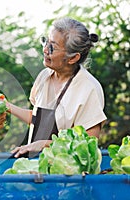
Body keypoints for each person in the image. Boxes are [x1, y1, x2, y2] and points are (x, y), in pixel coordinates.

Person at [9, 17, 107, 158]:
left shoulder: (89, 89)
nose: (44, 50)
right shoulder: (44, 76)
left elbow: (86, 144)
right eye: (45, 42)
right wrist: (7, 106)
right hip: (34, 168)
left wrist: (45, 144)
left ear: (73, 58)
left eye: (52, 47)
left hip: (66, 173)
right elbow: (38, 120)